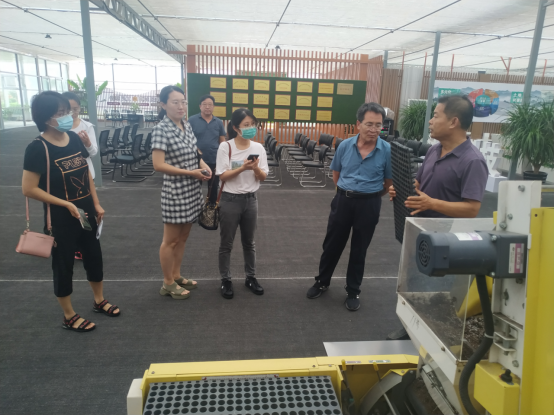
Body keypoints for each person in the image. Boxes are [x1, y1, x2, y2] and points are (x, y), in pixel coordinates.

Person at [387, 94, 488, 340]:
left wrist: (431, 203)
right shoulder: (434, 150)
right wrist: (402, 189)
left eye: (435, 116)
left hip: (446, 242)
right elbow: (419, 183)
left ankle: (428, 339)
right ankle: (410, 328)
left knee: (435, 293)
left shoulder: (473, 161)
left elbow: (472, 209)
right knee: (414, 284)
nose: (430, 121)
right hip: (419, 232)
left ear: (453, 122)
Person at [22, 91, 120, 333]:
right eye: (61, 113)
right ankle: (69, 315)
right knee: (64, 265)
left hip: (86, 213)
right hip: (60, 219)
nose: (68, 116)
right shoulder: (38, 148)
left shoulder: (74, 139)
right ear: (46, 118)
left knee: (94, 257)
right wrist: (65, 204)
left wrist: (96, 203)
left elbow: (86, 174)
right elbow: (29, 188)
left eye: (68, 111)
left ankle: (99, 300)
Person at [306, 103, 393, 311]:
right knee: (332, 245)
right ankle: (322, 281)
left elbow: (388, 183)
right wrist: (347, 192)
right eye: (369, 124)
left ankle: (353, 290)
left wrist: (370, 195)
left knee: (359, 249)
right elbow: (336, 174)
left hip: (369, 204)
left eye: (378, 125)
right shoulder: (344, 146)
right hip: (343, 201)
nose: (374, 129)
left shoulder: (387, 150)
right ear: (358, 124)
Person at [151, 85, 212, 300]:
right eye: (175, 102)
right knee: (170, 240)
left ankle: (176, 275)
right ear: (163, 105)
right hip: (175, 192)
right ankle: (167, 282)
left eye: (183, 102)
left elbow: (195, 152)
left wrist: (203, 165)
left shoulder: (186, 125)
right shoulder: (161, 129)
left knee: (183, 238)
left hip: (192, 190)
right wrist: (190, 172)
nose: (180, 106)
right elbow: (158, 164)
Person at [215, 108, 268, 299]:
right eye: (246, 125)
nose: (251, 128)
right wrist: (243, 167)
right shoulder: (226, 147)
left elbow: (263, 176)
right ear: (236, 128)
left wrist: (255, 169)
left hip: (251, 200)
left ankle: (250, 277)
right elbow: (223, 175)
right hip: (230, 200)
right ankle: (226, 280)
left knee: (249, 242)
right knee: (226, 243)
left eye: (253, 124)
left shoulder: (258, 148)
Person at [62, 91, 98, 261]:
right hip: (63, 177)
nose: (72, 113)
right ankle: (71, 244)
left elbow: (93, 152)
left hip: (84, 177)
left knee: (85, 211)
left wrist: (87, 143)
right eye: (68, 109)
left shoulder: (86, 126)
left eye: (75, 109)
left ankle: (83, 245)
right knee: (67, 212)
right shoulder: (56, 127)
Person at [188, 95, 226, 202]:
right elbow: (187, 140)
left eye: (210, 104)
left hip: (214, 159)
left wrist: (222, 159)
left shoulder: (218, 122)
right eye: (204, 104)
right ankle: (195, 206)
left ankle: (211, 208)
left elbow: (222, 142)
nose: (207, 107)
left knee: (213, 187)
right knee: (195, 186)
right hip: (196, 160)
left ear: (213, 107)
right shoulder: (192, 120)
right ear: (200, 106)